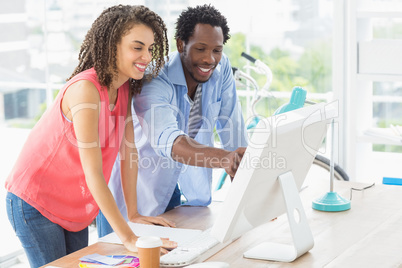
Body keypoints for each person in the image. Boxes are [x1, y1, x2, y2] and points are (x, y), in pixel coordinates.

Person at [5, 5, 177, 267]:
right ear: (111, 46)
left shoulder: (124, 89)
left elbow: (128, 151)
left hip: (73, 205)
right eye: (137, 47)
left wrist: (134, 213)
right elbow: (93, 172)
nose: (146, 56)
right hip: (35, 201)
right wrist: (129, 238)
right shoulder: (86, 89)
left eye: (151, 48)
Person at [97, 4, 248, 237]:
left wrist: (248, 185)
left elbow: (233, 127)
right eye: (200, 49)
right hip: (136, 192)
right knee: (122, 258)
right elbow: (169, 141)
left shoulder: (221, 67)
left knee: (174, 254)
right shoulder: (155, 78)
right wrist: (226, 159)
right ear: (181, 45)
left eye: (217, 50)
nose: (210, 59)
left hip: (177, 188)